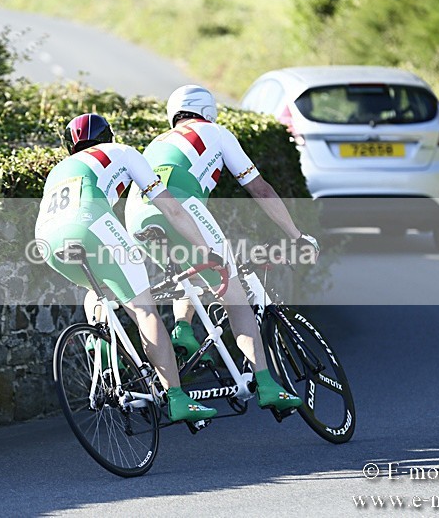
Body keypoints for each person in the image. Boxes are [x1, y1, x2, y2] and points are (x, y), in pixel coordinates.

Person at [124, 84, 319, 413]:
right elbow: (259, 188)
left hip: (136, 215)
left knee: (190, 271)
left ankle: (183, 330)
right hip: (180, 205)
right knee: (236, 299)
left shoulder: (157, 142)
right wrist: (296, 235)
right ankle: (268, 385)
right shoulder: (214, 131)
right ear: (208, 110)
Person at [35, 113, 219, 423]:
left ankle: (100, 343)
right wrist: (205, 249)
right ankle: (176, 397)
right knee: (144, 308)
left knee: (98, 288)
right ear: (109, 136)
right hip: (90, 224)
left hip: (46, 238)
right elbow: (170, 207)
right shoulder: (121, 152)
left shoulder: (57, 170)